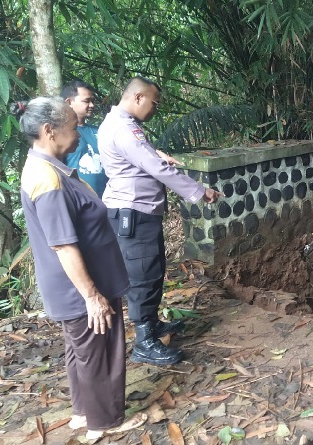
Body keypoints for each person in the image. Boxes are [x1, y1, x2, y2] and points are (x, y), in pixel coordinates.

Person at [14, 97, 146, 440]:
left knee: (83, 351)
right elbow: (62, 243)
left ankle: (83, 413)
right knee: (100, 351)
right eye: (73, 128)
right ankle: (105, 422)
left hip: (80, 284)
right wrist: (91, 295)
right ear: (49, 131)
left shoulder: (49, 167)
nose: (78, 133)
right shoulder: (47, 179)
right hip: (81, 288)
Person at [98, 77, 221, 366]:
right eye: (154, 103)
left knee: (152, 271)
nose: (155, 109)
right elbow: (154, 168)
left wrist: (159, 155)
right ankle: (145, 343)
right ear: (138, 97)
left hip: (138, 212)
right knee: (142, 276)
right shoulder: (125, 129)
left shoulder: (119, 124)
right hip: (133, 213)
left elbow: (143, 159)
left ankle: (152, 326)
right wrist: (199, 191)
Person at [61, 81, 107, 197]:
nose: (92, 105)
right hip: (78, 200)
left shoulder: (99, 131)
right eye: (86, 101)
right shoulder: (60, 133)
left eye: (92, 101)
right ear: (69, 102)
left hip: (107, 200)